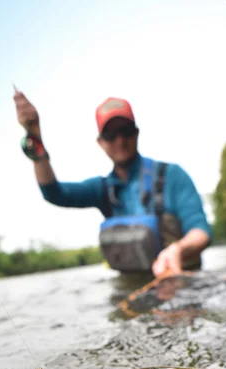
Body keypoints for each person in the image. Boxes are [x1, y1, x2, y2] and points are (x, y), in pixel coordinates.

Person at [13, 90, 212, 276]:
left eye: (125, 131)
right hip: (131, 284)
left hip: (179, 280)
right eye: (111, 134)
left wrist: (178, 249)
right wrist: (34, 136)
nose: (120, 140)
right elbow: (53, 192)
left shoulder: (173, 176)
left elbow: (200, 231)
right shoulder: (102, 189)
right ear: (101, 142)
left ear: (136, 133)